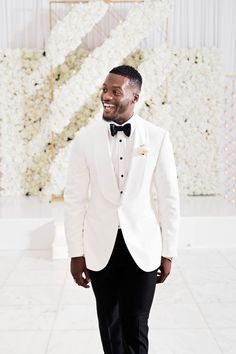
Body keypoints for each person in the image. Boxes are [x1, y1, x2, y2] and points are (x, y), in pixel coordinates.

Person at [64, 65, 180, 354]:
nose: (107, 96)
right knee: (109, 325)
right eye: (105, 89)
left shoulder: (157, 137)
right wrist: (76, 254)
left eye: (116, 91)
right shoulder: (84, 139)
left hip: (143, 247)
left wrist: (168, 251)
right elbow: (74, 199)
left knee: (136, 325)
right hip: (99, 247)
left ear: (135, 97)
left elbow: (168, 199)